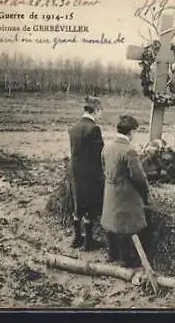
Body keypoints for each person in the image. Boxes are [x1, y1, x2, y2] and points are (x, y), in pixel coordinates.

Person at [101, 115, 150, 267]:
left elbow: (103, 166)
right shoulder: (129, 151)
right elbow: (138, 178)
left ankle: (111, 254)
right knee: (127, 225)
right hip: (125, 194)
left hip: (110, 191)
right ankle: (126, 259)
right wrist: (145, 192)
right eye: (135, 132)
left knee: (111, 222)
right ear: (131, 133)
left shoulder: (107, 147)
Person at [68, 95, 104, 251]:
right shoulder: (94, 128)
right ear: (96, 110)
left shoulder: (74, 127)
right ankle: (89, 242)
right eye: (100, 111)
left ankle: (76, 238)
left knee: (78, 204)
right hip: (90, 173)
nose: (100, 114)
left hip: (75, 171)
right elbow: (99, 154)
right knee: (90, 207)